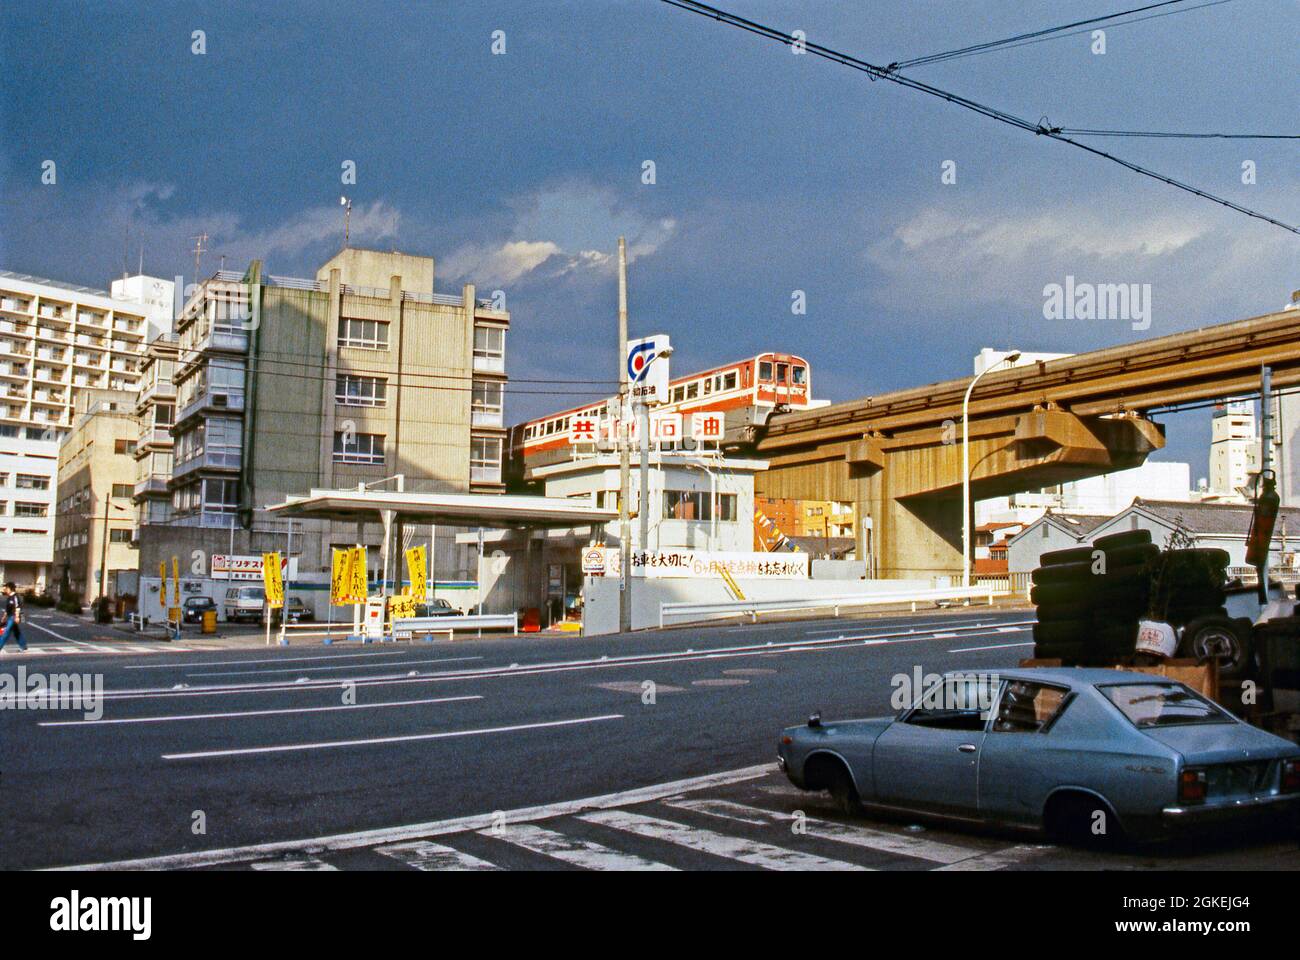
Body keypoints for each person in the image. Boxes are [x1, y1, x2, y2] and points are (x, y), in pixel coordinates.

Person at [0, 582, 27, 652]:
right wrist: (4, 617)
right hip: (9, 616)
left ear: (10, 588)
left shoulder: (15, 597)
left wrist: (17, 617)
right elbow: (7, 609)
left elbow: (18, 607)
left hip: (13, 616)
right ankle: (23, 645)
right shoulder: (9, 597)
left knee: (6, 632)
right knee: (16, 632)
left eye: (6, 588)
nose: (5, 589)